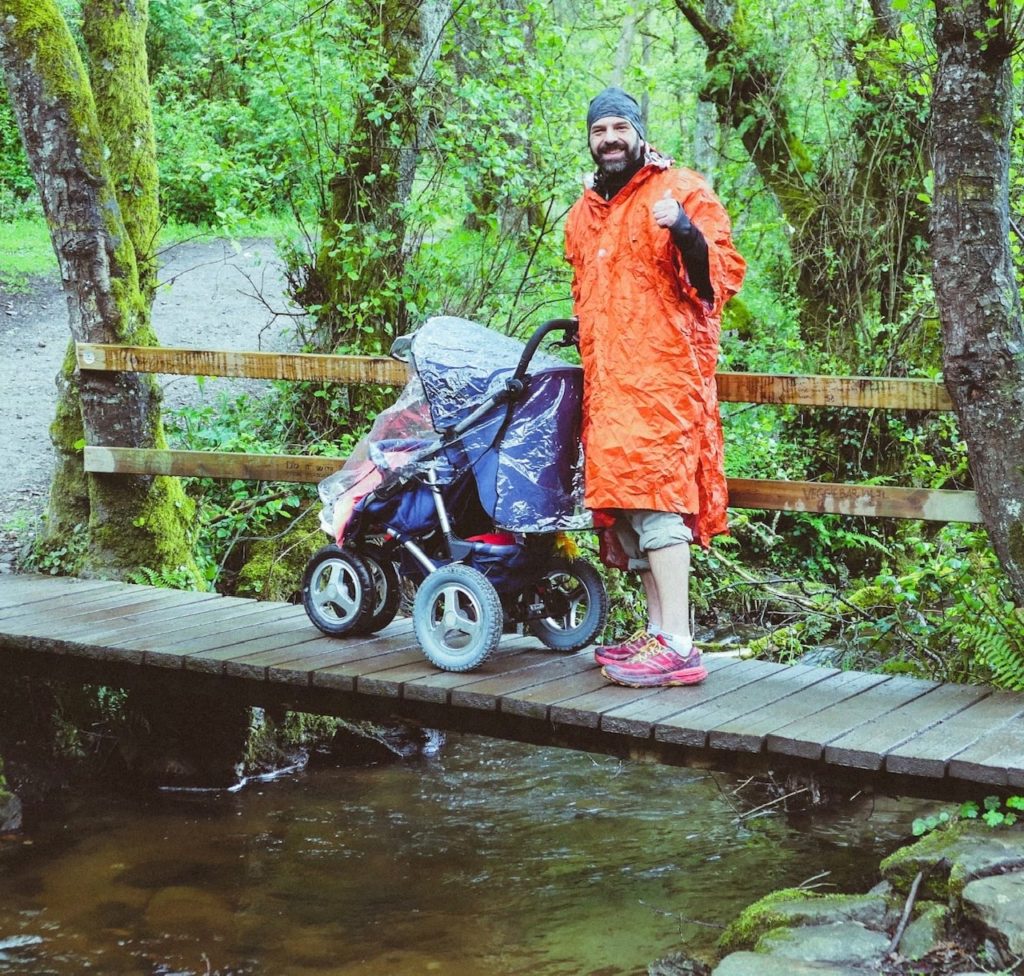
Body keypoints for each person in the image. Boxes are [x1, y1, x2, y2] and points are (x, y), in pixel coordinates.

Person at [564, 86, 745, 688]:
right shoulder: (585, 211)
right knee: (625, 513)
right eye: (599, 131)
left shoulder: (681, 189)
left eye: (619, 127)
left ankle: (680, 642)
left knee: (661, 503)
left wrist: (687, 231)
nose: (609, 139)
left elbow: (716, 282)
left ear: (639, 132)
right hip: (609, 388)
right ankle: (657, 630)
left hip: (665, 382)